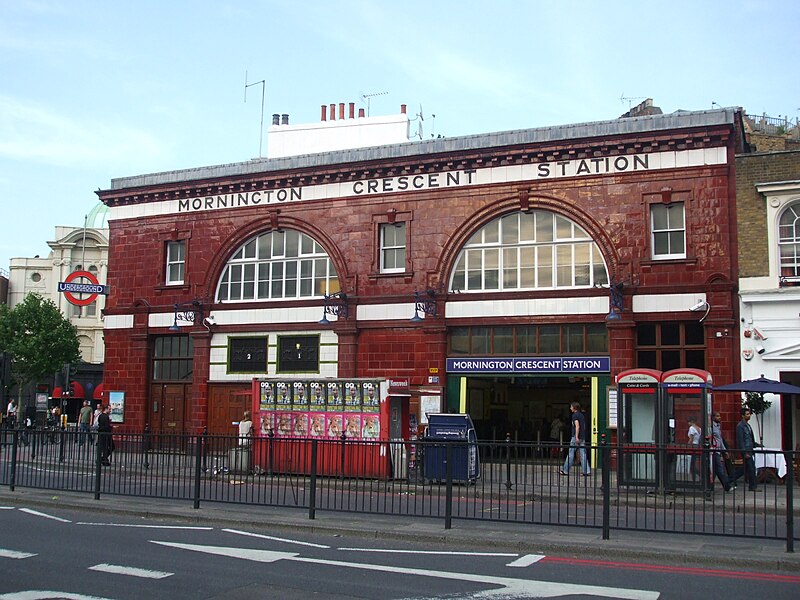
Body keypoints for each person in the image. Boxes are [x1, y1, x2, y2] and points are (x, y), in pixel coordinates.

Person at [560, 401, 590, 477]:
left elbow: (577, 426)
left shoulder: (574, 415)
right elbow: (583, 426)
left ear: (574, 407)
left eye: (571, 407)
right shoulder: (582, 415)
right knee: (583, 453)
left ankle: (565, 470)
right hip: (582, 437)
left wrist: (576, 437)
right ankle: (586, 471)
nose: (570, 408)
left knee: (571, 453)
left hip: (575, 437)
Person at [735, 407, 759, 491]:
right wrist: (744, 452)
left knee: (744, 469)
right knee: (751, 468)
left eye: (749, 414)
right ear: (742, 416)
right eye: (747, 414)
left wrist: (755, 445)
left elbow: (750, 438)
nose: (749, 416)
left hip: (750, 449)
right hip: (746, 450)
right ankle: (752, 486)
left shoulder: (747, 425)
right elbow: (740, 440)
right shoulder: (740, 426)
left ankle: (728, 480)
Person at [711, 411, 734, 492]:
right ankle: (727, 486)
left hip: (718, 450)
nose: (719, 417)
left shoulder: (718, 426)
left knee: (716, 469)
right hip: (713, 450)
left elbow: (720, 440)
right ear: (713, 417)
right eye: (717, 416)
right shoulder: (711, 427)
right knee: (719, 469)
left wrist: (724, 451)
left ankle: (710, 486)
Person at [686, 416, 701, 482]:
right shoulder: (699, 429)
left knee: (692, 465)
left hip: (693, 447)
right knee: (693, 463)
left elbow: (691, 439)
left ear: (691, 421)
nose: (688, 423)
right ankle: (699, 475)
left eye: (688, 422)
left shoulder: (691, 428)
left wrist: (688, 446)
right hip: (698, 446)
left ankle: (694, 479)